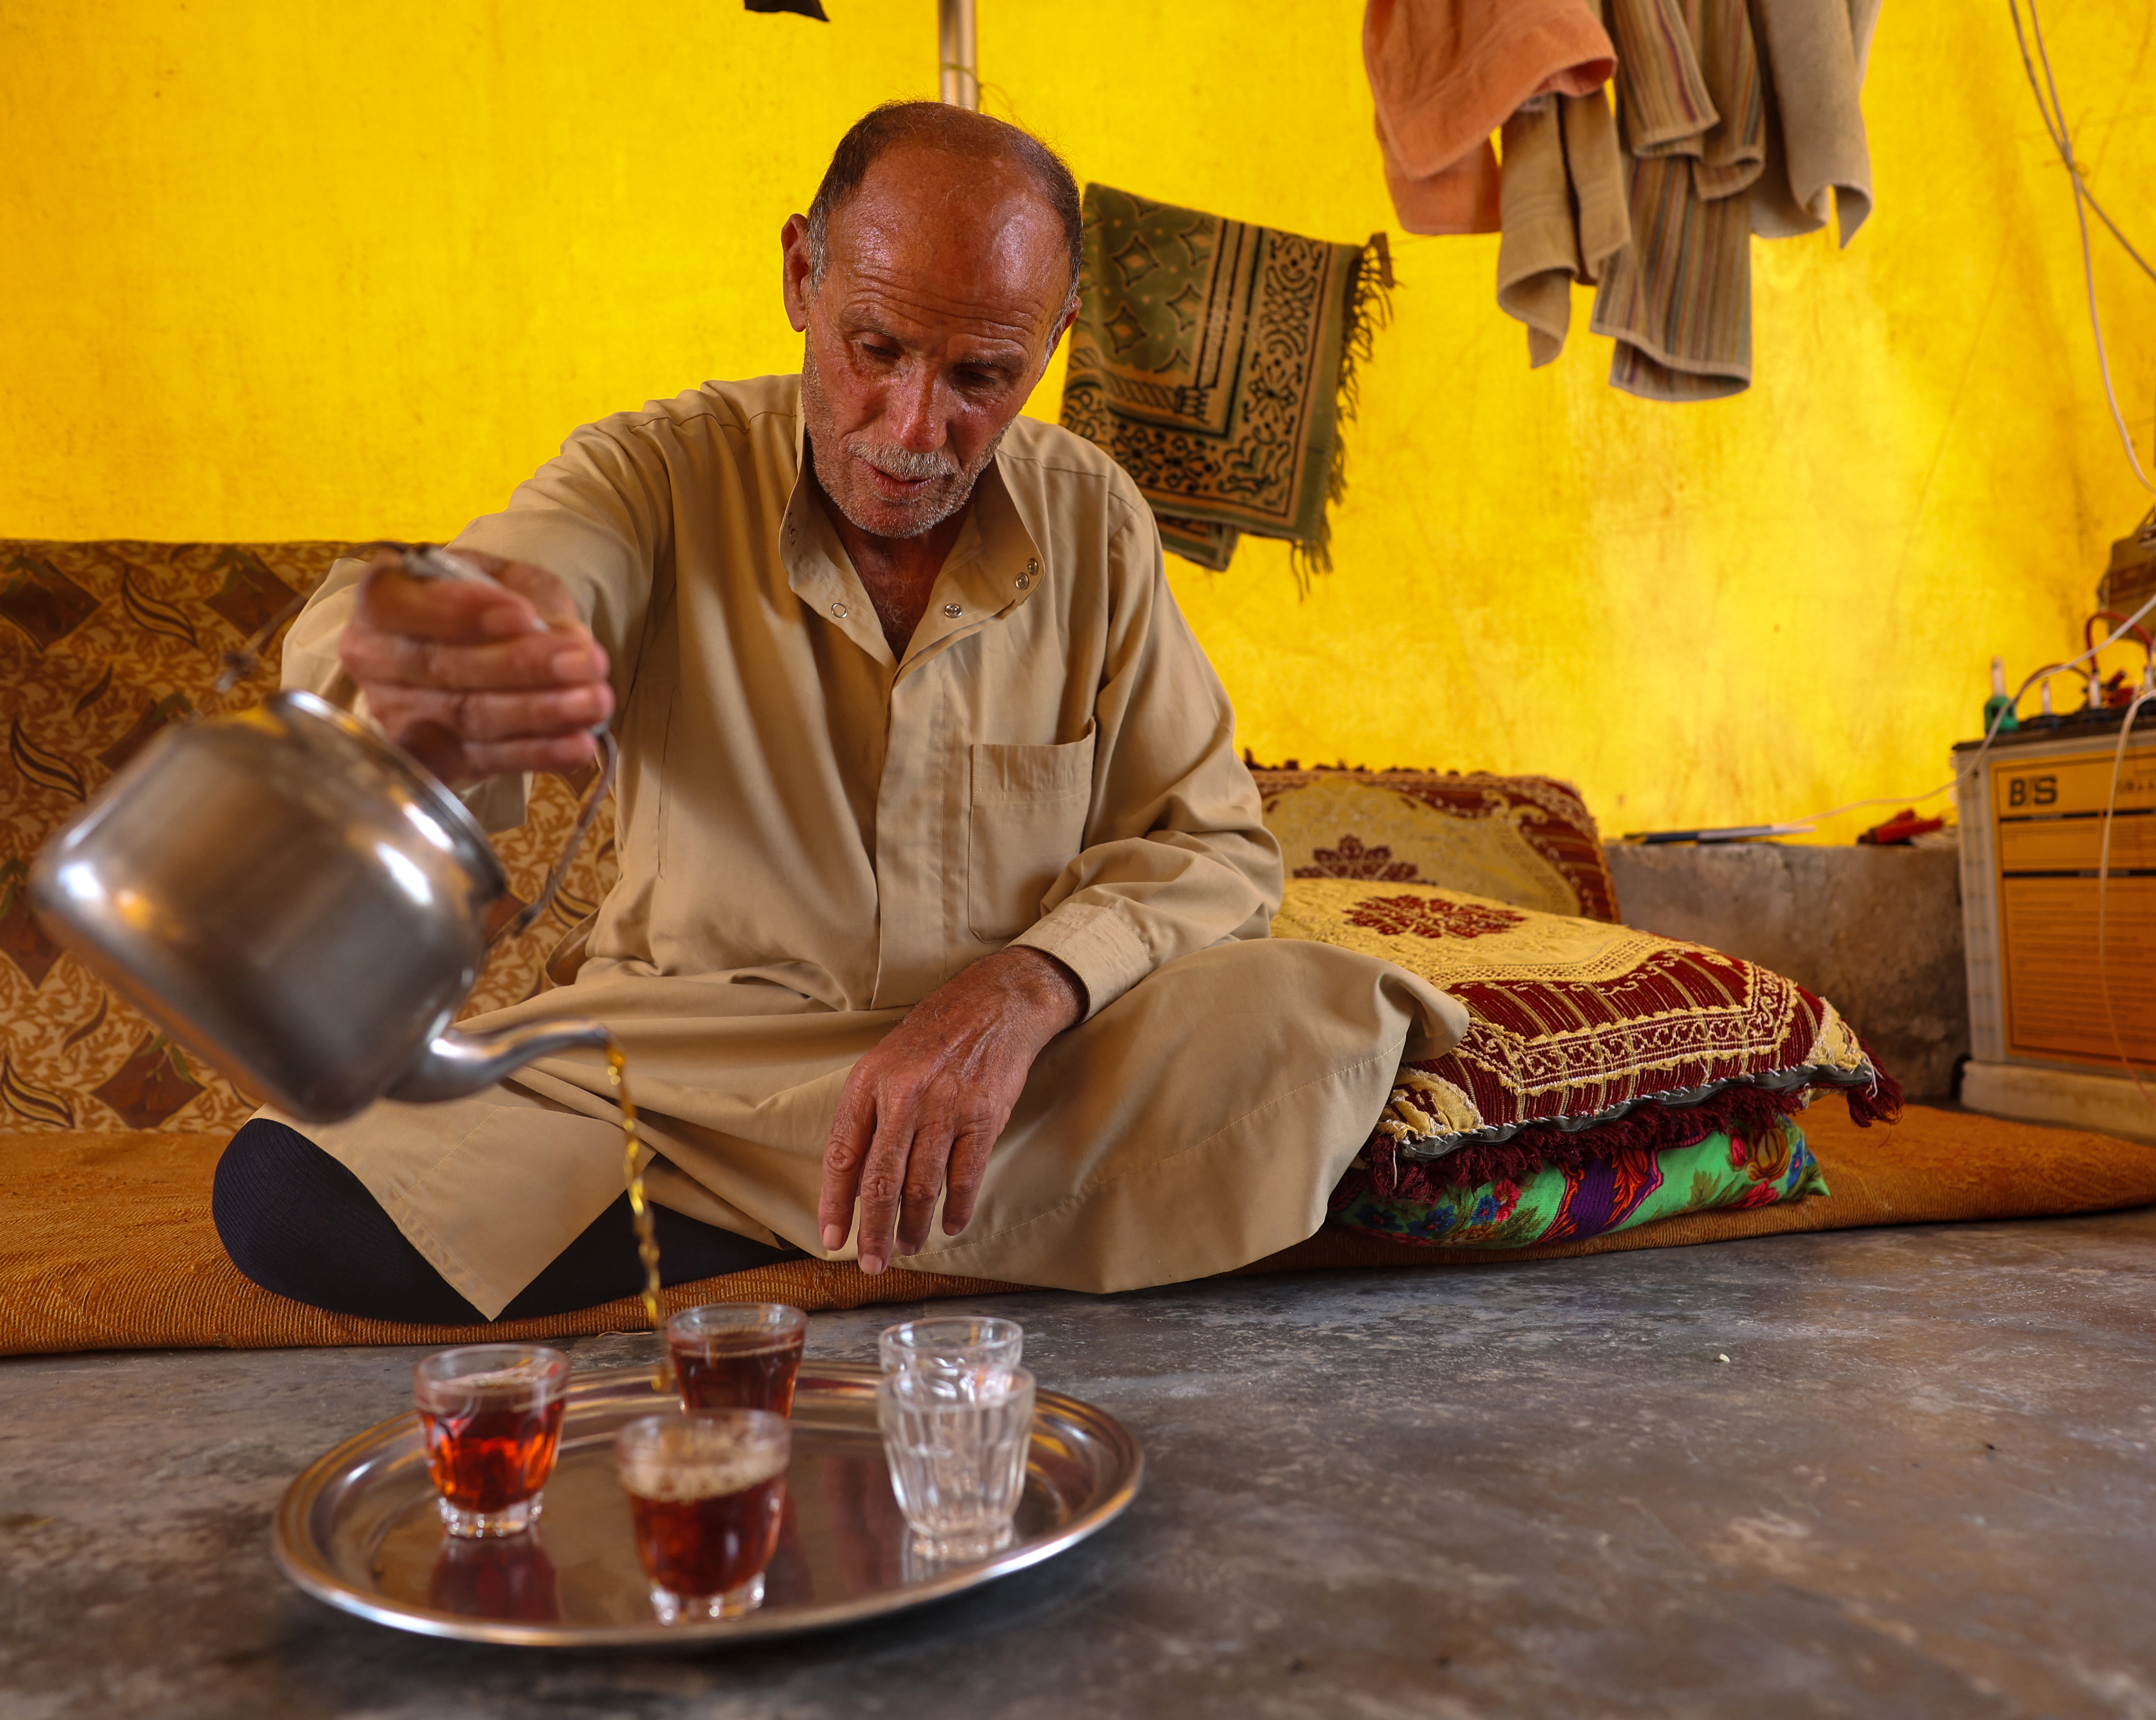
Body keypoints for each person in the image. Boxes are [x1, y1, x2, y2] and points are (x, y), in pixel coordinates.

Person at [212, 102, 1464, 1325]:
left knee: (1317, 1024)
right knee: (294, 1185)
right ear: (802, 274)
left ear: (1061, 333)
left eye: (984, 374)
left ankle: (810, 1216)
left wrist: (1023, 993)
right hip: (687, 1077)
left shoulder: (1094, 516)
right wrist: (465, 636)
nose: (917, 429)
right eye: (876, 350)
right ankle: (913, 1212)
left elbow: (1215, 850)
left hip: (1022, 1078)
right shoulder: (654, 472)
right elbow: (532, 571)